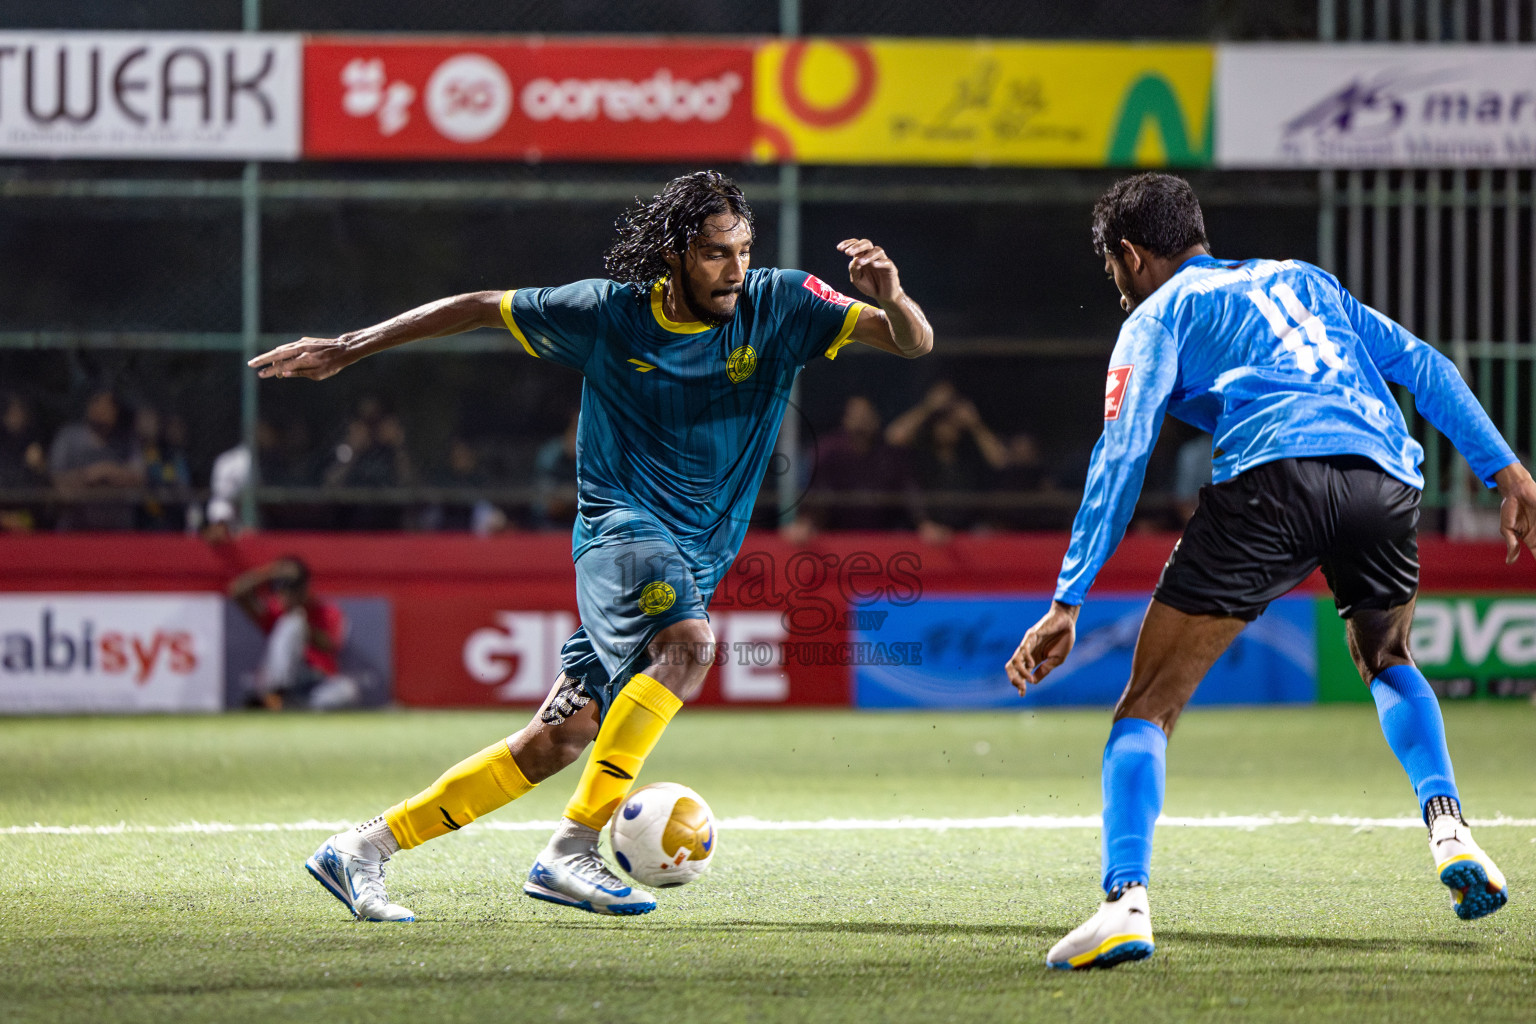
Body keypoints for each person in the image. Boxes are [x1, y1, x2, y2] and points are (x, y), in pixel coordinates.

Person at [249, 170, 933, 922]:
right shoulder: (609, 314)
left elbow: (913, 343)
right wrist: (351, 346)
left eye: (743, 250)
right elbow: (480, 306)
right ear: (674, 254)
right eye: (714, 254)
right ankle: (572, 849)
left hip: (695, 558)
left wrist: (892, 296)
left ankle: (361, 851)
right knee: (690, 649)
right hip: (621, 530)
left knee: (559, 739)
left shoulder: (785, 302)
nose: (734, 270)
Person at [1005, 173, 1535, 970]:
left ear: (1130, 254)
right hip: (1381, 480)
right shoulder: (1304, 280)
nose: (1116, 289)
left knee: (1147, 703)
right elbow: (1424, 365)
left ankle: (1125, 903)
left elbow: (1122, 452)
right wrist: (1507, 471)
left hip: (1271, 483)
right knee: (1387, 658)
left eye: (1114, 271)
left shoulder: (1160, 313)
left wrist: (1067, 598)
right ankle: (1451, 828)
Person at [228, 557, 354, 710]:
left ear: (305, 588)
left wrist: (304, 624)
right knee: (292, 622)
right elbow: (237, 591)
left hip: (317, 682)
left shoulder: (328, 611)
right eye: (283, 589)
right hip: (285, 680)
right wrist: (272, 572)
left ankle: (285, 706)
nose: (287, 594)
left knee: (347, 690)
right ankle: (276, 694)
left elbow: (330, 645)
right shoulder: (277, 613)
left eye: (294, 588)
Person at [49, 389, 144, 531]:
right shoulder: (68, 438)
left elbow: (139, 479)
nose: (101, 410)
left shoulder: (127, 441)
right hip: (75, 529)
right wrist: (88, 475)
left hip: (118, 531)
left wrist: (107, 471)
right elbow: (58, 481)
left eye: (108, 406)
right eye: (97, 404)